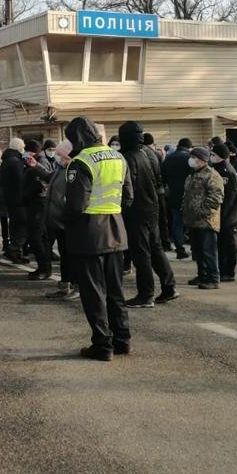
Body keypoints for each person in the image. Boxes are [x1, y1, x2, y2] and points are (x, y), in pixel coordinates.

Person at [64, 117, 133, 361]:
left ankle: (102, 344)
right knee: (115, 290)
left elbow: (75, 206)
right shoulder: (118, 157)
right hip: (115, 228)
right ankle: (122, 339)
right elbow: (128, 197)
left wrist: (65, 224)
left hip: (89, 232)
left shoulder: (80, 162)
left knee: (93, 292)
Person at [118, 121, 177, 308]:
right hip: (153, 207)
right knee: (156, 249)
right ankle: (169, 287)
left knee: (141, 253)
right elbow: (159, 180)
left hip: (136, 211)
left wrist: (123, 208)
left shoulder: (127, 157)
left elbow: (128, 189)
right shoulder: (150, 153)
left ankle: (146, 295)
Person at [182, 146, 224, 290]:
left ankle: (213, 278)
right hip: (193, 220)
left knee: (208, 251)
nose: (191, 160)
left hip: (206, 221)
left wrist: (202, 212)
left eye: (194, 157)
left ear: (202, 160)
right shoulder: (192, 175)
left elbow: (216, 197)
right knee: (198, 251)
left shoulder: (212, 175)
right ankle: (202, 274)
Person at [44, 140, 77, 299]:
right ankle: (65, 285)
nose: (57, 157)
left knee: (70, 255)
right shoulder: (60, 169)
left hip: (66, 221)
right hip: (57, 220)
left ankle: (73, 286)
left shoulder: (73, 171)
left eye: (59, 154)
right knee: (64, 254)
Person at [21, 140, 53, 281]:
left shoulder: (41, 162)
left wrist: (27, 193)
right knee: (39, 237)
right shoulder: (35, 162)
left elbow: (43, 184)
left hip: (39, 203)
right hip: (35, 203)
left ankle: (44, 268)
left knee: (36, 237)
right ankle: (44, 267)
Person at [211, 143, 237, 282]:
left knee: (227, 244)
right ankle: (222, 269)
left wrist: (222, 216)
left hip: (227, 215)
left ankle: (229, 271)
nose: (211, 157)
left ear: (220, 156)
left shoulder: (226, 171)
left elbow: (228, 197)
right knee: (221, 245)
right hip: (223, 215)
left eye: (213, 155)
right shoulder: (218, 168)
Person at [162, 138, 193, 259]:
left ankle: (180, 249)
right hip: (189, 195)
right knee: (192, 223)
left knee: (177, 222)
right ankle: (195, 249)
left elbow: (163, 177)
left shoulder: (168, 158)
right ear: (189, 147)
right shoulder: (190, 158)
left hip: (173, 195)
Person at [0, 137, 28, 263]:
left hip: (10, 198)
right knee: (22, 226)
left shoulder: (6, 160)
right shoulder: (16, 162)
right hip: (19, 199)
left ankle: (13, 250)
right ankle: (14, 249)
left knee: (15, 224)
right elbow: (20, 181)